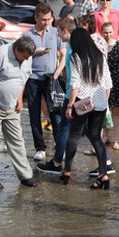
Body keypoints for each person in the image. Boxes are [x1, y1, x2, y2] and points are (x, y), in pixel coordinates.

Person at [0, 36, 38, 189]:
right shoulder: (1, 55)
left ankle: (25, 175)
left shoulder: (27, 58)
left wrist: (20, 99)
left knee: (17, 140)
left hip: (12, 106)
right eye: (24, 56)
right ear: (15, 50)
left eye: (28, 57)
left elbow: (22, 79)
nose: (26, 59)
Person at [62, 28, 112, 189]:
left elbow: (74, 84)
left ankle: (67, 170)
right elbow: (108, 83)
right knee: (96, 137)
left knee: (74, 135)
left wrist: (70, 105)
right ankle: (103, 173)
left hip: (83, 100)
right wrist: (104, 102)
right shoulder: (100, 57)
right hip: (99, 99)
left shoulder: (76, 57)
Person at [23, 3, 65, 162]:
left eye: (49, 19)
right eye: (43, 20)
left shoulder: (55, 33)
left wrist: (57, 73)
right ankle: (40, 148)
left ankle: (59, 145)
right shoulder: (28, 35)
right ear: (36, 18)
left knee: (56, 114)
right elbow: (22, 55)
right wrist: (36, 52)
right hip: (32, 79)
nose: (46, 22)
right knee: (34, 115)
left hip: (51, 79)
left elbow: (64, 54)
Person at [37, 18, 76, 176]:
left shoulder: (74, 48)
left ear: (65, 31)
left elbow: (76, 76)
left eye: (59, 31)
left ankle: (57, 163)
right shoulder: (73, 46)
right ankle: (59, 162)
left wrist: (70, 103)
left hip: (73, 95)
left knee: (68, 129)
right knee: (77, 130)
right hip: (73, 93)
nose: (58, 35)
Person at [102, 22, 119, 151]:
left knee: (116, 110)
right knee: (103, 108)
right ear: (102, 32)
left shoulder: (118, 45)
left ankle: (116, 138)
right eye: (106, 32)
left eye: (110, 32)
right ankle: (106, 136)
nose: (108, 35)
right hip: (102, 79)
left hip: (115, 77)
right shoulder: (99, 44)